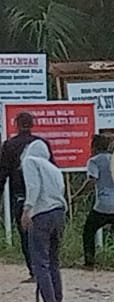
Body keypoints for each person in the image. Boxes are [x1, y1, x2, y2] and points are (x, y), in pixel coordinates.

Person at [74, 135, 114, 278]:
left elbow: (92, 181)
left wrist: (78, 195)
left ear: (94, 146)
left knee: (89, 230)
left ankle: (89, 261)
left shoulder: (94, 161)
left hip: (103, 205)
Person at [0, 112, 51, 281]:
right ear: (32, 124)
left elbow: (3, 173)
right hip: (43, 196)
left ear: (16, 124)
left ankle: (34, 271)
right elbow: (51, 168)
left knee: (25, 234)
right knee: (43, 233)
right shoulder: (41, 143)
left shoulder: (9, 145)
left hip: (20, 194)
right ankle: (46, 266)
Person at [20, 140, 66, 302]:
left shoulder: (30, 161)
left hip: (42, 214)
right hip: (59, 213)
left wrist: (27, 209)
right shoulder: (53, 168)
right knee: (53, 260)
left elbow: (33, 187)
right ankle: (58, 300)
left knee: (39, 261)